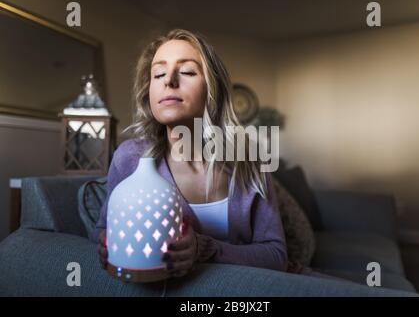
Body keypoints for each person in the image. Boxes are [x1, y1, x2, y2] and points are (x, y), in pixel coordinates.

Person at [93, 29, 287, 278]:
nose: (169, 80)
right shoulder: (129, 158)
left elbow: (277, 255)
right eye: (158, 74)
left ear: (212, 89)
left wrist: (204, 249)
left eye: (186, 71)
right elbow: (100, 230)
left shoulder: (249, 160)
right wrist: (106, 242)